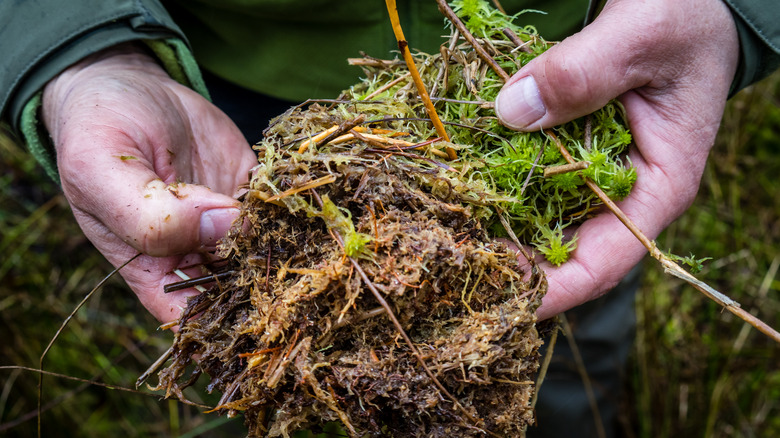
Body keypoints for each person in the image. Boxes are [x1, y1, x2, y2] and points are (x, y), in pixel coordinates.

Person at [1, 0, 778, 436]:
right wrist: (81, 45)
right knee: (268, 352)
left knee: (559, 337)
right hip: (223, 93)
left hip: (568, 94)